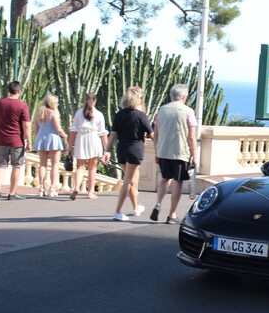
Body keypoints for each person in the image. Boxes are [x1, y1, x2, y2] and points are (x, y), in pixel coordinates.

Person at [103, 86, 153, 221]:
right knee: (128, 181)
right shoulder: (140, 115)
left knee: (129, 179)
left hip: (122, 148)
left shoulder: (119, 115)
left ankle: (136, 207)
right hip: (135, 148)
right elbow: (151, 133)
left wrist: (107, 150)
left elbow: (113, 133)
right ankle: (118, 211)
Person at [150, 84, 198, 224]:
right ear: (184, 96)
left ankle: (158, 204)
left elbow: (156, 133)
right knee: (177, 182)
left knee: (165, 179)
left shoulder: (162, 110)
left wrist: (157, 151)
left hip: (163, 151)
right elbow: (192, 137)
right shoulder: (188, 111)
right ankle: (172, 214)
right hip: (180, 152)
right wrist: (195, 156)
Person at [0, 81, 32, 202]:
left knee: (1, 165)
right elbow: (27, 125)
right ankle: (12, 193)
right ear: (19, 91)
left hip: (2, 139)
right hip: (17, 140)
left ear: (9, 90)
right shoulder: (22, 105)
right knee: (16, 166)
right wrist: (29, 141)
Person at [68, 93, 109, 200]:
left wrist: (69, 145)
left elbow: (73, 131)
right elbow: (103, 133)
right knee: (92, 167)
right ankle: (90, 192)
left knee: (80, 167)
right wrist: (107, 148)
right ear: (95, 101)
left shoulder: (78, 113)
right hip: (94, 139)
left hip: (81, 139)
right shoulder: (99, 114)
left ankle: (76, 187)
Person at [33, 93, 68, 197]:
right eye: (56, 103)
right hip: (53, 138)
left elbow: (36, 129)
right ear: (53, 103)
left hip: (41, 138)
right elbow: (58, 128)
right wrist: (65, 135)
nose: (57, 105)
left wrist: (38, 138)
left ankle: (41, 188)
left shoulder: (38, 113)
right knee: (55, 164)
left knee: (42, 164)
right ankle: (52, 188)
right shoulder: (53, 113)